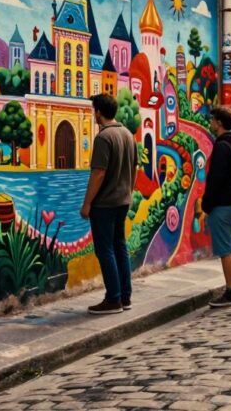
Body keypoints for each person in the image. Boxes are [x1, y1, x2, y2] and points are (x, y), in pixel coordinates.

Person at [81, 93, 137, 315]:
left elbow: (99, 173)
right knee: (119, 247)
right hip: (123, 201)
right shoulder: (128, 134)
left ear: (99, 112)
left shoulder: (103, 138)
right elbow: (135, 168)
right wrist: (129, 192)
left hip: (104, 204)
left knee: (105, 250)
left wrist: (87, 204)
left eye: (94, 110)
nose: (93, 114)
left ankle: (113, 298)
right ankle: (125, 296)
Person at [202, 106, 231, 308]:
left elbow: (216, 179)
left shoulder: (222, 146)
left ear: (219, 122)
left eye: (213, 120)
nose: (211, 123)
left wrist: (207, 203)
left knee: (225, 250)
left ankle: (230, 293)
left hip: (222, 204)